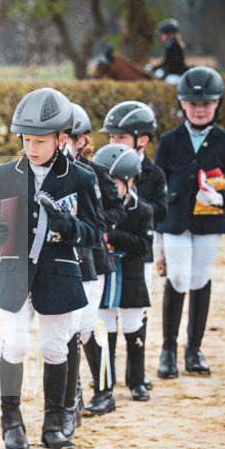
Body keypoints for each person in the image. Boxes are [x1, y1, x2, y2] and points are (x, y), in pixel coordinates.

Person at [0, 87, 103, 449]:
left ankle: (54, 424)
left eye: (39, 141)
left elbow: (95, 234)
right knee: (16, 344)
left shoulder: (81, 178)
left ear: (61, 138)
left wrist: (70, 228)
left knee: (55, 348)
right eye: (26, 140)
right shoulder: (7, 172)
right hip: (16, 273)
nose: (31, 148)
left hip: (60, 273)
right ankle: (12, 421)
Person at [155, 66, 225, 379]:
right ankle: (168, 349)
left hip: (208, 222)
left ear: (217, 103)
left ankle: (194, 349)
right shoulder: (169, 140)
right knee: (178, 277)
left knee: (200, 279)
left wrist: (220, 200)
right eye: (194, 105)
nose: (200, 109)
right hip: (173, 220)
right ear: (182, 105)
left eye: (206, 104)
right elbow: (156, 183)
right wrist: (156, 233)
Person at [62, 103, 126, 432]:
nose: (64, 147)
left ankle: (104, 389)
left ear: (81, 140)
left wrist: (98, 228)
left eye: (70, 140)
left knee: (88, 326)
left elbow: (115, 210)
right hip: (62, 260)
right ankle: (71, 394)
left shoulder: (95, 172)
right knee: (69, 327)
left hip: (93, 258)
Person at [100, 101, 168, 390]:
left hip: (139, 253)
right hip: (108, 258)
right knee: (107, 315)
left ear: (142, 139)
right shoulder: (105, 169)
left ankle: (135, 375)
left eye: (121, 137)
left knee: (136, 310)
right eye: (112, 137)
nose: (114, 142)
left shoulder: (152, 174)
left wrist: (134, 207)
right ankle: (106, 377)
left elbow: (161, 211)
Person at [86, 144, 155, 413]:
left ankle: (136, 380)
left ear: (130, 180)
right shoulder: (97, 209)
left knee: (133, 328)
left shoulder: (143, 210)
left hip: (132, 277)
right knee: (104, 331)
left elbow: (144, 245)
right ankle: (105, 384)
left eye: (114, 185)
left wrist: (112, 238)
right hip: (106, 276)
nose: (108, 191)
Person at [150, 19, 187, 84]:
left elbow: (173, 63)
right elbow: (166, 62)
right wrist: (153, 68)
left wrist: (162, 69)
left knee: (169, 81)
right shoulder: (170, 44)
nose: (161, 37)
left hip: (177, 75)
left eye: (162, 34)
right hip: (174, 73)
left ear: (169, 34)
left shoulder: (174, 45)